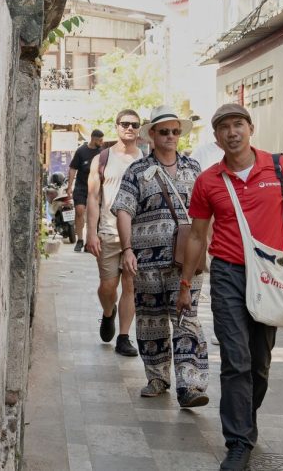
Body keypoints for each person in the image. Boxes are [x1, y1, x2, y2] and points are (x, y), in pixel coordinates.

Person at [176, 103, 283, 471]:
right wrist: (185, 283)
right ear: (216, 137)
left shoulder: (278, 167)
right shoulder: (208, 181)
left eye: (238, 124)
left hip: (271, 274)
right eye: (224, 127)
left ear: (250, 128)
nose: (232, 132)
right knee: (235, 359)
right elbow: (196, 235)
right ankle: (238, 442)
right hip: (228, 273)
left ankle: (245, 417)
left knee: (259, 363)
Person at [112, 106, 210, 405]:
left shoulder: (194, 168)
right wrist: (127, 249)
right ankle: (157, 377)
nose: (170, 136)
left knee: (187, 319)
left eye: (175, 131)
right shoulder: (137, 171)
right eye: (164, 131)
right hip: (147, 262)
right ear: (152, 135)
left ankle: (190, 386)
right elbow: (124, 210)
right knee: (151, 320)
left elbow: (208, 212)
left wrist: (210, 242)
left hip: (187, 262)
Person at [85, 110, 144, 356]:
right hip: (108, 231)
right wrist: (91, 233)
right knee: (108, 286)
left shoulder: (146, 159)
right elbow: (93, 196)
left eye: (134, 124)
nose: (129, 128)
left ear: (139, 128)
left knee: (130, 286)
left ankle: (123, 337)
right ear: (117, 126)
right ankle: (108, 313)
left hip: (137, 234)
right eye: (125, 124)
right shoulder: (103, 158)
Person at [67, 129, 105, 252]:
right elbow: (73, 168)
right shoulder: (81, 151)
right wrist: (69, 187)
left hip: (95, 188)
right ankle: (80, 240)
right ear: (93, 139)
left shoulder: (102, 153)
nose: (102, 142)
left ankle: (90, 241)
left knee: (92, 215)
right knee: (79, 211)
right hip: (81, 187)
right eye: (100, 140)